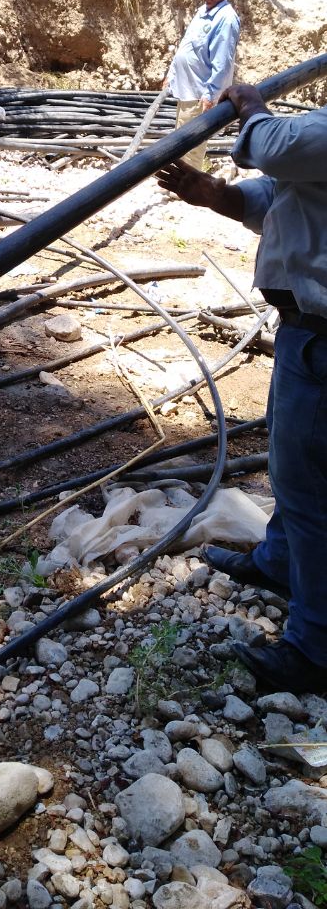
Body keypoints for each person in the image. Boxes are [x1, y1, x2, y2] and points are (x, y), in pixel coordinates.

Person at [157, 82, 327, 694]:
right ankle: (280, 563)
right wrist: (217, 197)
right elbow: (289, 196)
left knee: (312, 493)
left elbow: (276, 149)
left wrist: (251, 107)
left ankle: (315, 648)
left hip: (323, 340)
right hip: (304, 334)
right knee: (294, 470)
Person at [163, 0, 240, 169]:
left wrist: (211, 94)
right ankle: (183, 183)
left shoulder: (226, 19)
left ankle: (189, 186)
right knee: (182, 138)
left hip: (200, 93)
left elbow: (222, 62)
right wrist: (172, 74)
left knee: (192, 143)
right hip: (186, 89)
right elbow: (186, 45)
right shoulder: (203, 11)